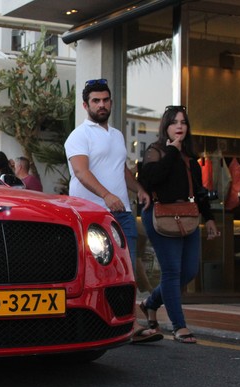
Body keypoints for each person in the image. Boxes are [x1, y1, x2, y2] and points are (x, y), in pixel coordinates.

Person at [64, 78, 158, 344]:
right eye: (96, 101)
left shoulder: (116, 135)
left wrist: (138, 188)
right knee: (96, 271)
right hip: (91, 215)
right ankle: (102, 323)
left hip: (123, 212)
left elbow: (121, 168)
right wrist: (106, 195)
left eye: (105, 100)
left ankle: (130, 321)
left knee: (125, 267)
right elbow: (81, 172)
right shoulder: (79, 136)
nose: (101, 104)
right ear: (86, 105)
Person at [137, 105, 219, 344]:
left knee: (189, 271)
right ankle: (179, 326)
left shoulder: (191, 159)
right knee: (172, 272)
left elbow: (199, 193)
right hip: (161, 217)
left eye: (183, 122)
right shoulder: (157, 151)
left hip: (188, 216)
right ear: (166, 127)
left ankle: (150, 303)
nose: (179, 126)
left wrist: (210, 218)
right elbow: (150, 179)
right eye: (174, 122)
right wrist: (172, 151)